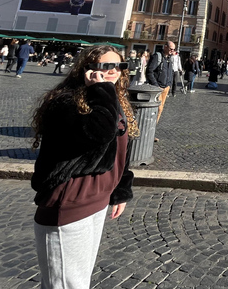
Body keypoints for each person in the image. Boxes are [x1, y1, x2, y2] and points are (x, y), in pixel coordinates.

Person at [30, 45, 137, 289]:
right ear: (88, 69)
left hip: (97, 200)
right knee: (66, 284)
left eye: (119, 66)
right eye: (106, 66)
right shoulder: (66, 102)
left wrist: (120, 190)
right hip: (68, 203)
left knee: (80, 279)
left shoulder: (111, 100)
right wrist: (102, 90)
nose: (114, 71)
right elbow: (99, 133)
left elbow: (121, 150)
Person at [145, 42, 175, 123]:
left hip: (166, 87)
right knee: (157, 109)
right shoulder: (157, 56)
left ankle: (154, 128)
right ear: (165, 47)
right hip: (158, 87)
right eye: (171, 49)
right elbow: (149, 71)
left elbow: (170, 72)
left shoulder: (168, 58)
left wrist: (169, 84)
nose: (172, 51)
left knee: (160, 109)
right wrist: (155, 85)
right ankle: (150, 128)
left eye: (173, 49)